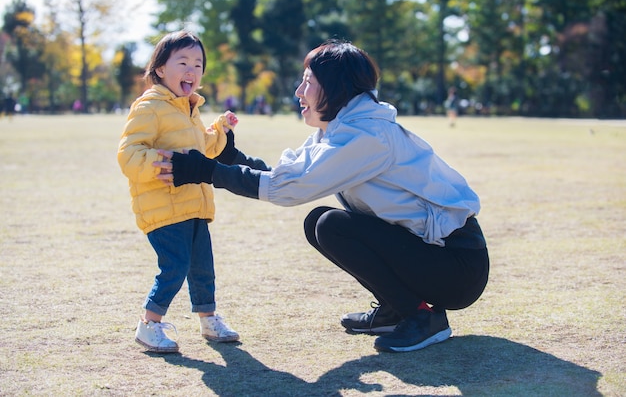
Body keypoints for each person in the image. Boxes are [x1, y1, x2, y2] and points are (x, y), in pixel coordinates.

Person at [154, 41, 489, 353]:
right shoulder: (342, 129)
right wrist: (229, 156)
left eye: (307, 82)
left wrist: (203, 171)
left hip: (456, 266)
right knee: (320, 222)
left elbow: (288, 191)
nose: (299, 92)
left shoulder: (368, 135)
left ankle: (422, 318)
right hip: (431, 254)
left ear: (334, 86)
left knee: (330, 224)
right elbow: (286, 176)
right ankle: (396, 309)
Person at [117, 30, 240, 353]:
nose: (191, 70)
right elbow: (128, 153)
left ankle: (208, 318)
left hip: (194, 204)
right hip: (163, 205)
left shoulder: (189, 108)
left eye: (198, 64)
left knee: (202, 266)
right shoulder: (150, 106)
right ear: (160, 69)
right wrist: (160, 162)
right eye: (182, 62)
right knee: (175, 266)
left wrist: (220, 130)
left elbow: (204, 150)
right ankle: (149, 324)